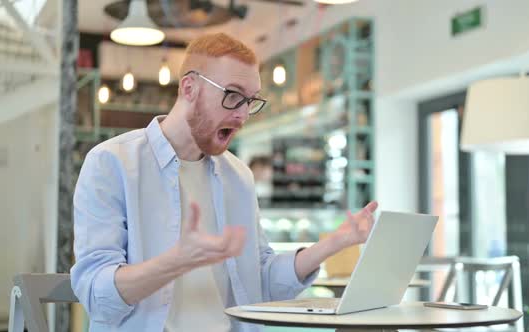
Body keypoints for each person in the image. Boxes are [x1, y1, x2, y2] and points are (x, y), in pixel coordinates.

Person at [70, 33, 378, 332]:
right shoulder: (112, 163)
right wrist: (175, 261)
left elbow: (260, 281)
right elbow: (98, 296)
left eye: (251, 101)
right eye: (232, 96)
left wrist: (333, 244)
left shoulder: (238, 175)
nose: (243, 115)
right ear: (189, 88)